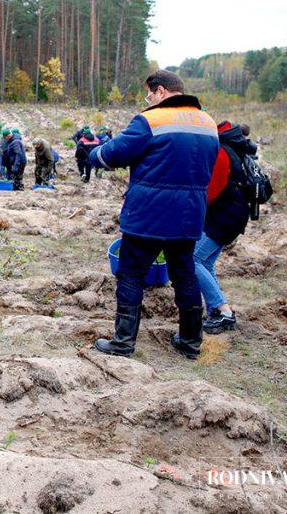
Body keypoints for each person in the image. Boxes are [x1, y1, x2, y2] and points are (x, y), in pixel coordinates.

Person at [90, 69, 218, 360]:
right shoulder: (208, 122)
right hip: (189, 215)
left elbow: (115, 153)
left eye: (149, 93)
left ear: (160, 91)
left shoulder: (151, 120)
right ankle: (190, 341)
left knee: (131, 273)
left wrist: (93, 155)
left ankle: (123, 341)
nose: (148, 99)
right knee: (184, 275)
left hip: (148, 214)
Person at [194, 121, 253, 334]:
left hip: (225, 216)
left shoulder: (221, 152)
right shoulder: (234, 148)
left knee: (193, 260)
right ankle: (215, 312)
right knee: (206, 262)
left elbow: (212, 191)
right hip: (231, 215)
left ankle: (224, 312)